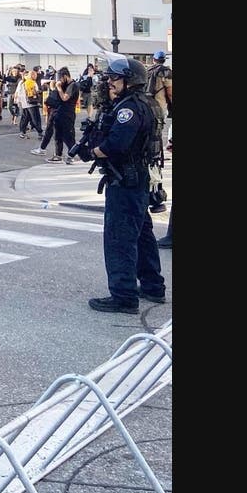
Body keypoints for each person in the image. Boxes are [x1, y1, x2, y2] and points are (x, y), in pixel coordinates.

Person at [86, 57, 166, 313]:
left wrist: (93, 152)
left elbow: (116, 144)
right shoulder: (148, 102)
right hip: (140, 177)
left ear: (130, 80)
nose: (110, 82)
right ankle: (153, 286)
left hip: (125, 179)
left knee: (119, 238)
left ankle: (123, 296)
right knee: (142, 234)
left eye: (114, 78)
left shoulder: (128, 109)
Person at [147, 50, 173, 154]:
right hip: (159, 105)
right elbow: (170, 91)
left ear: (154, 59)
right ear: (164, 60)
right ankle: (155, 152)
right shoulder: (166, 72)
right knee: (158, 129)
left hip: (145, 103)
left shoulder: (147, 70)